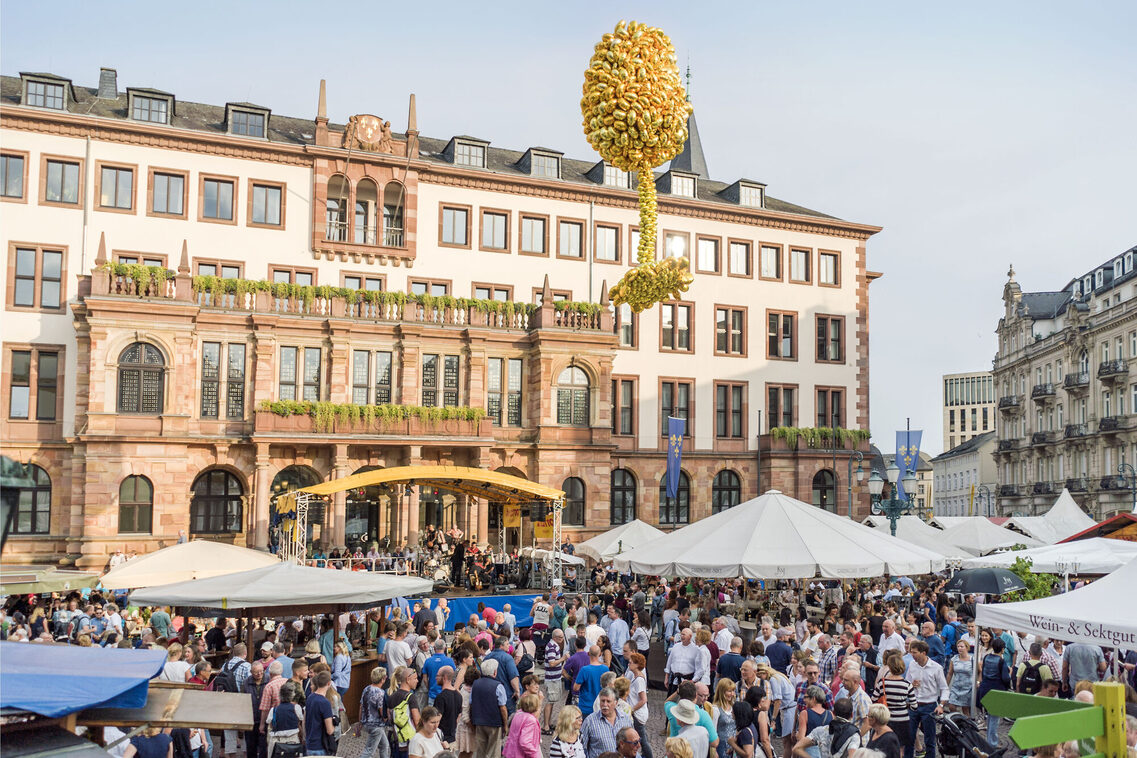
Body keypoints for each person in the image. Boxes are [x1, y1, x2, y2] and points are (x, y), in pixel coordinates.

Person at [903, 640, 948, 758]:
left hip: (929, 706)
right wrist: (911, 684)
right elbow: (906, 683)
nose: (912, 655)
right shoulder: (912, 665)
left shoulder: (936, 668)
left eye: (914, 652)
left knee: (929, 739)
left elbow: (944, 688)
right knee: (909, 737)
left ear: (923, 653)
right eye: (911, 652)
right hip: (913, 705)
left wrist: (941, 705)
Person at [871, 655, 916, 749]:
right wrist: (904, 705)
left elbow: (873, 700)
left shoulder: (882, 683)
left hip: (885, 720)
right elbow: (914, 706)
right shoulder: (907, 685)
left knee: (884, 748)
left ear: (890, 667)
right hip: (902, 720)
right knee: (900, 749)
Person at [792, 697, 860, 758]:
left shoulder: (820, 730)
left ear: (833, 713)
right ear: (851, 715)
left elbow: (796, 748)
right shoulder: (854, 734)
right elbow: (852, 755)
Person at [470, 658, 508, 758]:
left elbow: (471, 704)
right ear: (495, 672)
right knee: (494, 752)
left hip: (479, 721)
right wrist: (505, 725)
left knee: (480, 751)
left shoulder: (475, 684)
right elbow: (503, 708)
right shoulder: (498, 686)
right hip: (494, 722)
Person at [977, 637, 1011, 748]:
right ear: (1002, 649)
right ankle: (992, 743)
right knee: (994, 717)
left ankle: (990, 739)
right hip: (996, 691)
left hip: (985, 689)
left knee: (990, 715)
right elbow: (1005, 678)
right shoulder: (1001, 661)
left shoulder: (987, 657)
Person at [267, 680, 304, 758]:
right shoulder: (296, 708)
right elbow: (300, 722)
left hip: (277, 740)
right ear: (292, 695)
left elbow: (270, 724)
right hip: (292, 740)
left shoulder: (273, 710)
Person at [391, 666, 423, 758]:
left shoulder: (392, 696)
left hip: (396, 739)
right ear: (408, 679)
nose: (417, 681)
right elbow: (417, 721)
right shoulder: (411, 697)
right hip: (409, 740)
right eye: (415, 678)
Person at [625, 652, 652, 758]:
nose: (628, 664)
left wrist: (631, 710)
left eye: (630, 662)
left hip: (638, 714)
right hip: (636, 713)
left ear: (637, 664)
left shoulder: (639, 680)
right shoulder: (635, 676)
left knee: (642, 740)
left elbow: (643, 699)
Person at [360, 666, 390, 758]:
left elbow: (361, 706)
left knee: (384, 745)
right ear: (382, 679)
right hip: (376, 725)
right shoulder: (381, 693)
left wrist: (360, 722)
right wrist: (386, 719)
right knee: (369, 751)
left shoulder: (366, 689)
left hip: (367, 722)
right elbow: (382, 710)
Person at [304, 670, 336, 756]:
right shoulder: (325, 702)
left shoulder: (310, 698)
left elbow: (305, 720)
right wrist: (335, 726)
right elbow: (329, 730)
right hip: (320, 746)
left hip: (310, 743)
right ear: (329, 683)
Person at [487, 635, 521, 714]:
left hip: (491, 693)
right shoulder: (507, 658)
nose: (509, 645)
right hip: (507, 694)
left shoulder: (487, 657)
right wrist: (517, 691)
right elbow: (513, 677)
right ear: (501, 646)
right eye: (507, 644)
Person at [503, 693, 542, 758]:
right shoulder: (530, 720)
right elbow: (525, 742)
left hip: (511, 752)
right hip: (521, 754)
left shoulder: (518, 714)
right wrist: (535, 754)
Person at [575, 645, 610, 717]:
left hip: (586, 706)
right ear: (600, 654)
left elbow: (576, 688)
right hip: (601, 705)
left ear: (588, 654)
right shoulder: (605, 669)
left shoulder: (584, 670)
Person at [544, 628, 568, 732]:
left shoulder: (553, 645)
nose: (562, 639)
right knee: (550, 701)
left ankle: (548, 723)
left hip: (554, 677)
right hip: (552, 678)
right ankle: (546, 726)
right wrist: (563, 658)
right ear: (555, 637)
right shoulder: (552, 647)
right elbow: (551, 663)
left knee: (552, 701)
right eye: (560, 637)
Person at [434, 667, 462, 747]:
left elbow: (436, 719)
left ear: (445, 677)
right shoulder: (458, 695)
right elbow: (458, 717)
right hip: (453, 738)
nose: (436, 678)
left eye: (438, 676)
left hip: (442, 739)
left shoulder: (441, 697)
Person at [945, 639, 973, 716]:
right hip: (956, 687)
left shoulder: (972, 659)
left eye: (962, 646)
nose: (959, 648)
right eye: (958, 646)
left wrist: (978, 682)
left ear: (966, 648)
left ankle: (966, 724)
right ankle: (956, 720)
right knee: (951, 706)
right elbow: (950, 673)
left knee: (965, 709)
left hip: (968, 687)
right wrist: (946, 685)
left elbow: (979, 671)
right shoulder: (954, 659)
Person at [424, 639, 457, 704]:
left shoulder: (428, 661)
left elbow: (425, 679)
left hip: (432, 694)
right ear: (445, 648)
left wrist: (429, 688)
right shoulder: (450, 661)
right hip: (447, 694)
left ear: (434, 648)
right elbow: (454, 676)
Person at [711, 678, 737, 758]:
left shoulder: (734, 705)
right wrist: (714, 751)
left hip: (735, 747)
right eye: (729, 691)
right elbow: (713, 731)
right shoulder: (715, 709)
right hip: (721, 747)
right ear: (722, 692)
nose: (732, 694)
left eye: (733, 691)